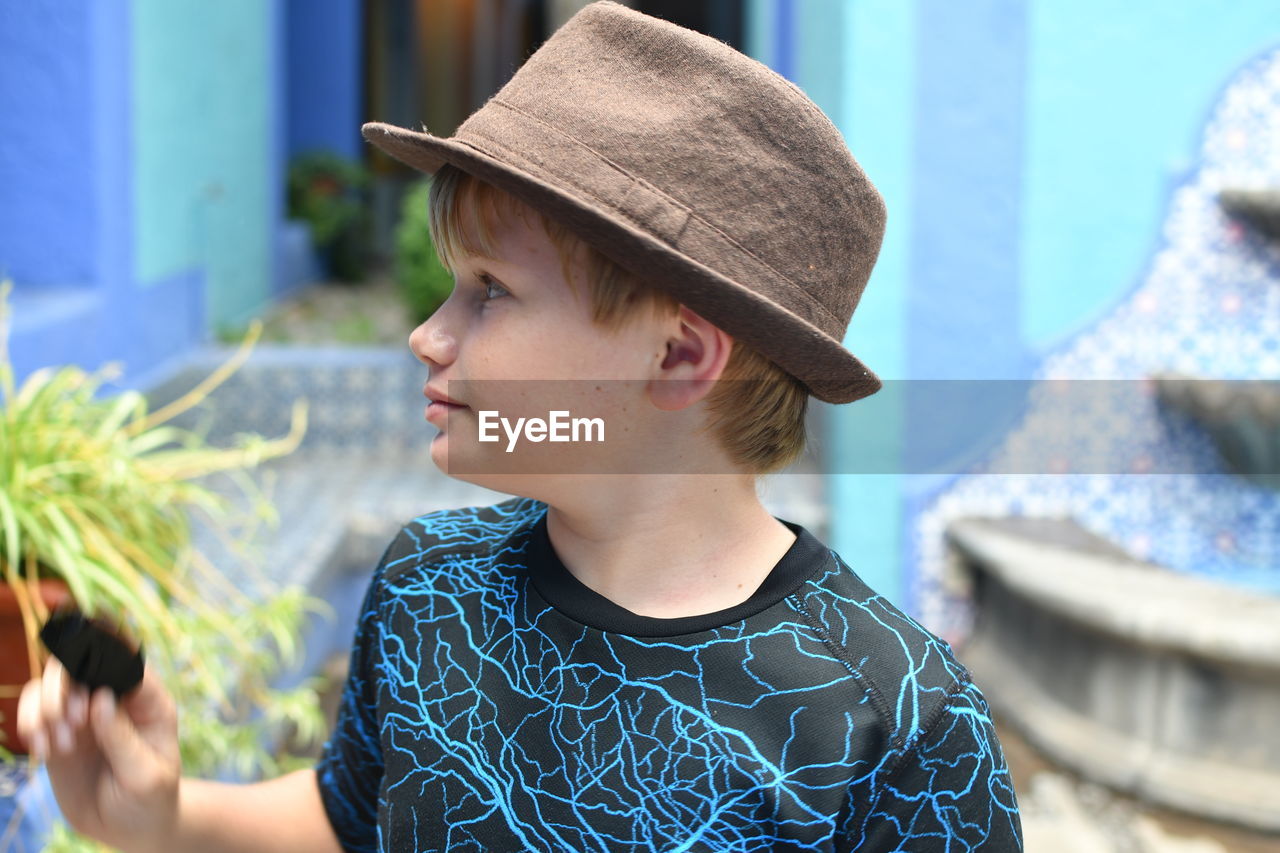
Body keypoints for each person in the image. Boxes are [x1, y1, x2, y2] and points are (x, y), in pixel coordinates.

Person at [17, 2, 1024, 850]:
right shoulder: (428, 587)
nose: (425, 335)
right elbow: (356, 818)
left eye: (488, 292)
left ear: (677, 355)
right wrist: (157, 814)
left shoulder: (895, 724)